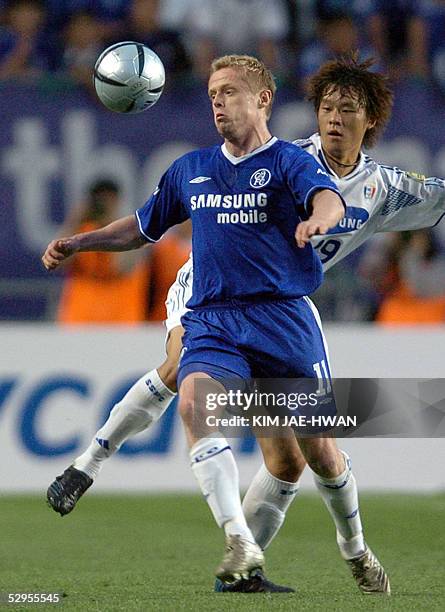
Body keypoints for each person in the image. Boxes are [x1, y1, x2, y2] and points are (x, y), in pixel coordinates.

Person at [43, 53, 355, 594]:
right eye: (212, 93)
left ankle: (343, 547)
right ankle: (235, 536)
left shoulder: (287, 163)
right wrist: (79, 241)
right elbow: (142, 227)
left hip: (281, 318)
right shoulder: (190, 169)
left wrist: (321, 219)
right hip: (211, 310)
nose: (217, 102)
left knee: (308, 453)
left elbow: (326, 197)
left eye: (230, 91)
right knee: (190, 395)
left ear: (263, 100)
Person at [57, 179, 150, 324]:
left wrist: (113, 225)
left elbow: (122, 267)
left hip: (121, 320)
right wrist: (74, 221)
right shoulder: (81, 235)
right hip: (80, 319)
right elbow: (57, 261)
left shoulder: (133, 233)